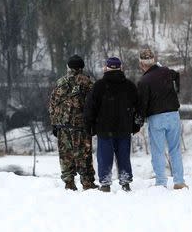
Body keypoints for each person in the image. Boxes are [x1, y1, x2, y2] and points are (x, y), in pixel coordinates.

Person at [84, 57, 141, 192]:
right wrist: (136, 125)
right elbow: (138, 107)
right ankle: (125, 182)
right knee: (123, 156)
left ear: (106, 68)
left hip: (104, 129)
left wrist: (89, 127)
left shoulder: (98, 86)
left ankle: (105, 183)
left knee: (104, 157)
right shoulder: (129, 86)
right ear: (121, 68)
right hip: (124, 129)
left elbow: (89, 108)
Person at [137, 48, 188, 190]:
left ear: (141, 64)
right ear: (154, 60)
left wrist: (138, 122)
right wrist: (176, 90)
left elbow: (142, 104)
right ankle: (179, 181)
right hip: (173, 114)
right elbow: (176, 75)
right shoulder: (166, 71)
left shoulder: (143, 81)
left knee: (158, 150)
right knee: (175, 149)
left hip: (156, 117)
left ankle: (161, 182)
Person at [48, 55, 98, 191]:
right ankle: (87, 182)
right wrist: (93, 123)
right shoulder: (87, 82)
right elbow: (93, 104)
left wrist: (54, 123)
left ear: (68, 67)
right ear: (82, 67)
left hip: (62, 126)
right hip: (81, 126)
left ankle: (69, 183)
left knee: (65, 156)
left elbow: (52, 104)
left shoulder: (60, 82)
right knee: (84, 154)